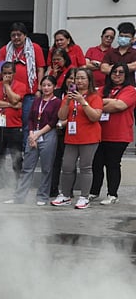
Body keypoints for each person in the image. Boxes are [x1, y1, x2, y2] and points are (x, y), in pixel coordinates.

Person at [51, 68, 102, 209]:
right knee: (67, 166)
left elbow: (95, 117)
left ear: (89, 80)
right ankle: (65, 195)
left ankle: (84, 197)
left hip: (89, 137)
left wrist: (82, 101)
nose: (79, 81)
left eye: (82, 78)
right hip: (72, 136)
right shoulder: (69, 96)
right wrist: (67, 102)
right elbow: (61, 116)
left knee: (85, 167)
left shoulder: (95, 97)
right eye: (76, 78)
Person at [5, 76, 60, 205]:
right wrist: (31, 134)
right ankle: (19, 197)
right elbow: (30, 118)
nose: (46, 88)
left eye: (49, 85)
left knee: (46, 168)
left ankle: (42, 196)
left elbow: (53, 122)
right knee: (27, 167)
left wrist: (38, 134)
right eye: (44, 85)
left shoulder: (57, 102)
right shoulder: (37, 100)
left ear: (54, 87)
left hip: (47, 134)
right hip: (33, 134)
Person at [89, 63, 136, 205]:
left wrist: (102, 103)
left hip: (119, 134)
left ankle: (112, 194)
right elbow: (91, 104)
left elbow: (119, 106)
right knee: (96, 164)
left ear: (126, 75)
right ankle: (94, 192)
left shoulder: (130, 90)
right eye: (114, 72)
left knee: (112, 164)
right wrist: (111, 101)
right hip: (99, 133)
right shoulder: (102, 89)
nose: (117, 75)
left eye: (121, 72)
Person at [0, 22, 46, 147]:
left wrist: (39, 89)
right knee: (10, 122)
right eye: (13, 35)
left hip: (29, 93)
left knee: (27, 122)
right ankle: (13, 149)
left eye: (19, 35)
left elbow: (40, 69)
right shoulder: (4, 50)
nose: (16, 38)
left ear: (25, 35)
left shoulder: (35, 48)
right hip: (10, 93)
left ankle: (26, 149)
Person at [0, 62, 27, 189]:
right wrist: (10, 105)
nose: (7, 76)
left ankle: (18, 183)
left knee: (17, 156)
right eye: (4, 73)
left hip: (14, 126)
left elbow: (15, 99)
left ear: (14, 73)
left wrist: (6, 86)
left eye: (9, 73)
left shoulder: (21, 85)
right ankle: (0, 180)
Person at [50, 67, 77, 198]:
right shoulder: (56, 93)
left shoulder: (79, 96)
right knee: (55, 160)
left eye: (76, 79)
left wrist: (63, 123)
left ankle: (68, 190)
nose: (72, 81)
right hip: (54, 129)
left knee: (69, 162)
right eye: (70, 78)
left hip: (71, 130)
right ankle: (53, 189)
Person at [100, 22, 136, 86]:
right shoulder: (110, 52)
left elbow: (134, 66)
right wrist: (126, 68)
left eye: (126, 36)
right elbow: (103, 69)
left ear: (132, 39)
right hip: (110, 87)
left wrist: (112, 67)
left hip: (129, 88)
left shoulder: (134, 53)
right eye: (121, 36)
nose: (123, 38)